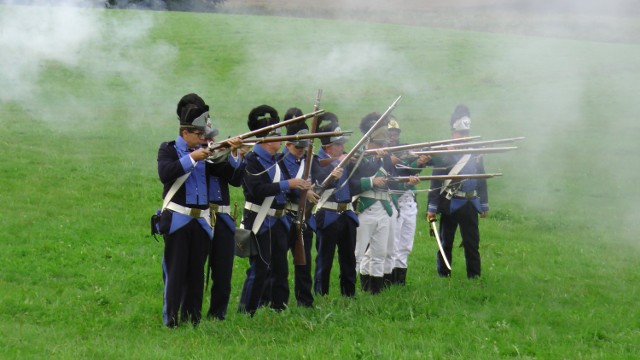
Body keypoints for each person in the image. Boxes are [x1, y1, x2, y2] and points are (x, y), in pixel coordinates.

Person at [237, 105, 312, 316]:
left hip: (279, 221)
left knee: (281, 269)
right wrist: (289, 184)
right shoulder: (251, 160)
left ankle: (278, 308)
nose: (280, 139)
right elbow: (256, 191)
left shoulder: (276, 160)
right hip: (260, 221)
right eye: (275, 135)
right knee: (259, 269)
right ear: (265, 139)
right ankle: (246, 311)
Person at [157, 100, 212, 328]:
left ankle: (193, 319)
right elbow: (165, 173)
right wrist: (192, 158)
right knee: (175, 272)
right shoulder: (168, 149)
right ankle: (171, 319)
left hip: (200, 222)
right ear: (185, 132)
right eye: (198, 133)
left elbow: (231, 176)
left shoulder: (208, 151)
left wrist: (234, 153)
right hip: (178, 220)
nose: (202, 137)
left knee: (196, 275)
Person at [427, 104, 489, 279]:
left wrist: (484, 203)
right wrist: (432, 208)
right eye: (460, 134)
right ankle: (443, 274)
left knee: (472, 242)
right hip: (450, 202)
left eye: (466, 134)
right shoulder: (444, 153)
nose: (463, 137)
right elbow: (436, 182)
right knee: (446, 242)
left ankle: (474, 275)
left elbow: (481, 178)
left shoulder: (475, 152)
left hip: (470, 202)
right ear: (453, 133)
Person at [311, 112, 362, 297]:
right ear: (327, 146)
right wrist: (334, 168)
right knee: (324, 259)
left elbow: (355, 185)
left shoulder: (345, 160)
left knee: (349, 258)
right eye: (338, 144)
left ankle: (349, 293)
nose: (342, 147)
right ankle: (320, 293)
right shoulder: (317, 161)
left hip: (347, 214)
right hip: (328, 214)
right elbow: (318, 183)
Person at [280, 108, 319, 307]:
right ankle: (279, 301)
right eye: (298, 148)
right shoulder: (278, 162)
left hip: (304, 216)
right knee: (280, 264)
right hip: (286, 215)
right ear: (287, 145)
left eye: (304, 148)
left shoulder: (309, 161)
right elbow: (282, 188)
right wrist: (303, 191)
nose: (301, 151)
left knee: (304, 262)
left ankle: (305, 299)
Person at [386, 116, 431, 285]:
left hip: (408, 201)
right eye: (390, 132)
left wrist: (419, 162)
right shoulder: (381, 155)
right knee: (393, 243)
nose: (393, 135)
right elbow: (392, 177)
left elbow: (409, 171)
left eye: (395, 132)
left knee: (405, 244)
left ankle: (400, 282)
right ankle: (388, 280)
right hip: (393, 200)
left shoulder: (404, 150)